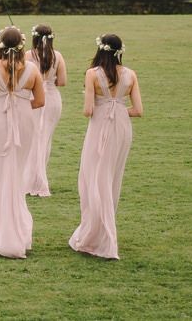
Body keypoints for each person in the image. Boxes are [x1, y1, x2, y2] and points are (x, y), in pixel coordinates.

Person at [0, 27, 45, 258]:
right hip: (24, 123)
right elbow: (40, 101)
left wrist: (0, 105)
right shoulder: (32, 69)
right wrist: (20, 106)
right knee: (15, 172)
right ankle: (14, 228)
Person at [69, 34, 143, 260]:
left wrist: (105, 107)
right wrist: (118, 109)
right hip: (121, 130)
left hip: (100, 127)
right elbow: (138, 110)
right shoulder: (130, 74)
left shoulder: (92, 74)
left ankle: (95, 233)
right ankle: (101, 229)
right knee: (111, 178)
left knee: (91, 178)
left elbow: (88, 110)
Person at [23, 24, 67, 197]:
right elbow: (62, 81)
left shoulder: (28, 55)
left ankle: (32, 180)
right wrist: (48, 81)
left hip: (33, 98)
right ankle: (38, 178)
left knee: (32, 139)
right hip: (52, 100)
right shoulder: (58, 56)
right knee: (44, 139)